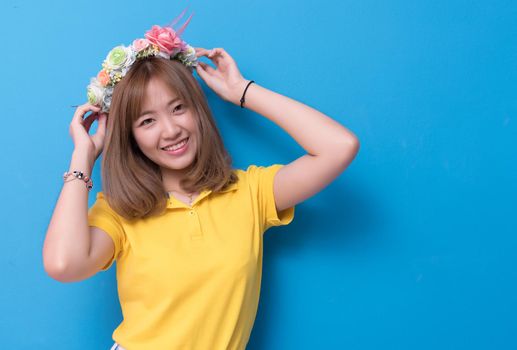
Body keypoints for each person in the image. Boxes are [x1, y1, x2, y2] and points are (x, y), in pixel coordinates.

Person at [43, 9, 360, 350]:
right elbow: (64, 265)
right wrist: (84, 157)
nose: (170, 130)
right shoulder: (121, 211)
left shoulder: (249, 193)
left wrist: (242, 91)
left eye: (178, 108)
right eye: (147, 121)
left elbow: (339, 147)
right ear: (131, 136)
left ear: (198, 110)